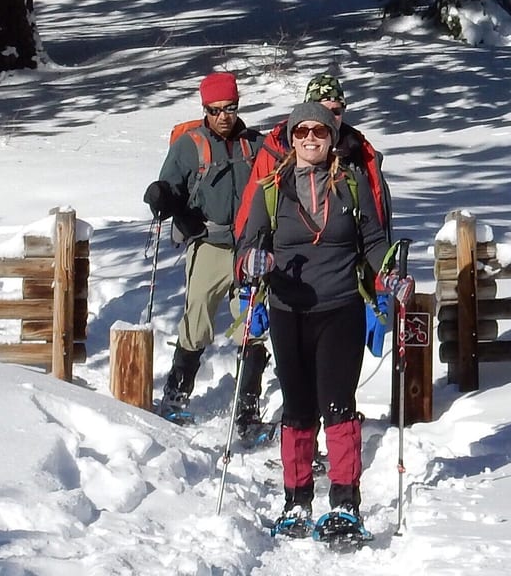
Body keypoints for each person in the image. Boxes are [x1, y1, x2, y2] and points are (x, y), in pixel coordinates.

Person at [235, 101, 413, 539]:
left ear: (332, 138)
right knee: (297, 406)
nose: (310, 139)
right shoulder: (271, 187)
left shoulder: (351, 186)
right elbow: (247, 244)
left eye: (318, 131)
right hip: (287, 310)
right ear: (291, 138)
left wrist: (388, 275)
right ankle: (296, 501)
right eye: (301, 132)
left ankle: (345, 502)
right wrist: (253, 262)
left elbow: (373, 241)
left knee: (338, 403)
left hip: (340, 308)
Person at [143, 72, 265, 432]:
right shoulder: (189, 145)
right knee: (197, 323)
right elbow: (172, 187)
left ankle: (247, 409)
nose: (224, 116)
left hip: (247, 248)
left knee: (252, 325)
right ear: (205, 109)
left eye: (231, 108)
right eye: (216, 110)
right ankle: (175, 397)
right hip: (208, 245)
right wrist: (165, 200)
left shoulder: (255, 145)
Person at [233, 73, 391, 242]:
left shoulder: (359, 150)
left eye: (336, 111)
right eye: (322, 110)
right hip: (286, 255)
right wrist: (244, 255)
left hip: (346, 256)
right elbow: (251, 210)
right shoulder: (277, 147)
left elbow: (377, 213)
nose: (329, 117)